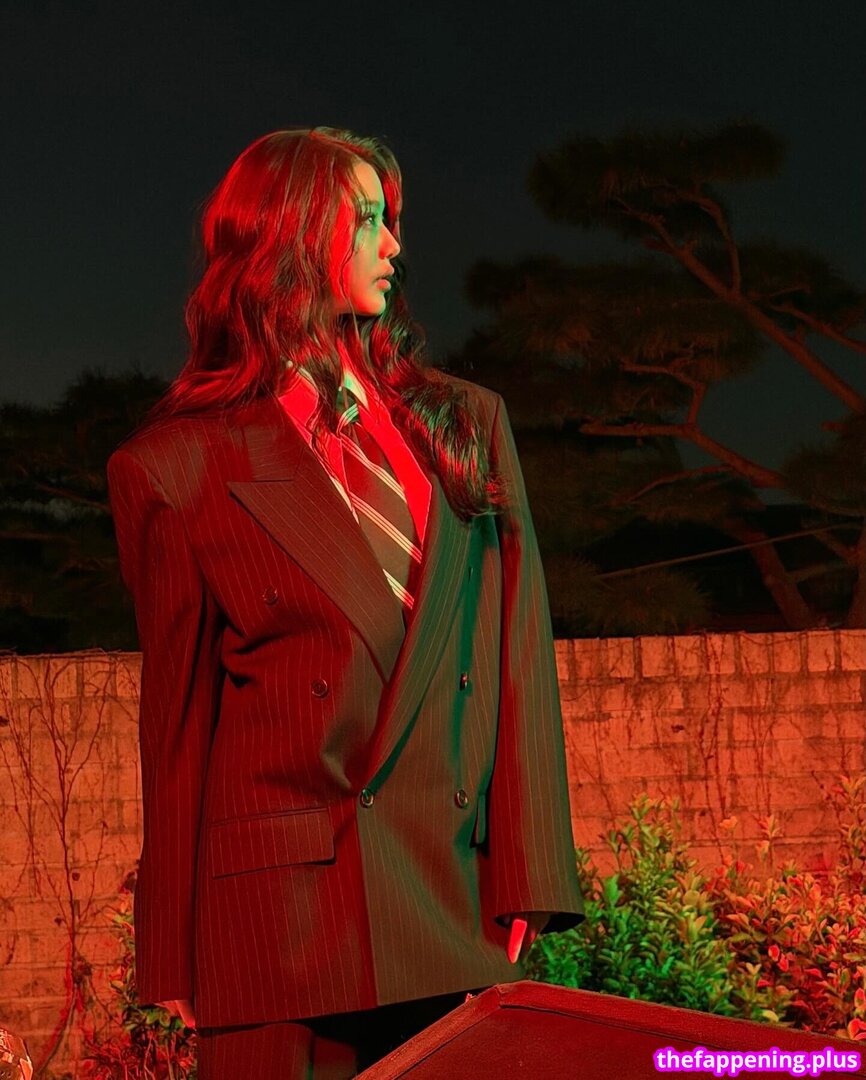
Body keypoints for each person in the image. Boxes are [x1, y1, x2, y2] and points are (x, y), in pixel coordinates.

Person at [106, 126, 583, 1079]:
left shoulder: (466, 425)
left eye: (389, 220)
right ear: (290, 234)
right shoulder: (176, 466)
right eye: (367, 219)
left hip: (448, 891)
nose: (393, 245)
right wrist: (174, 948)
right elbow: (180, 723)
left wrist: (529, 872)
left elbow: (519, 660)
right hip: (275, 925)